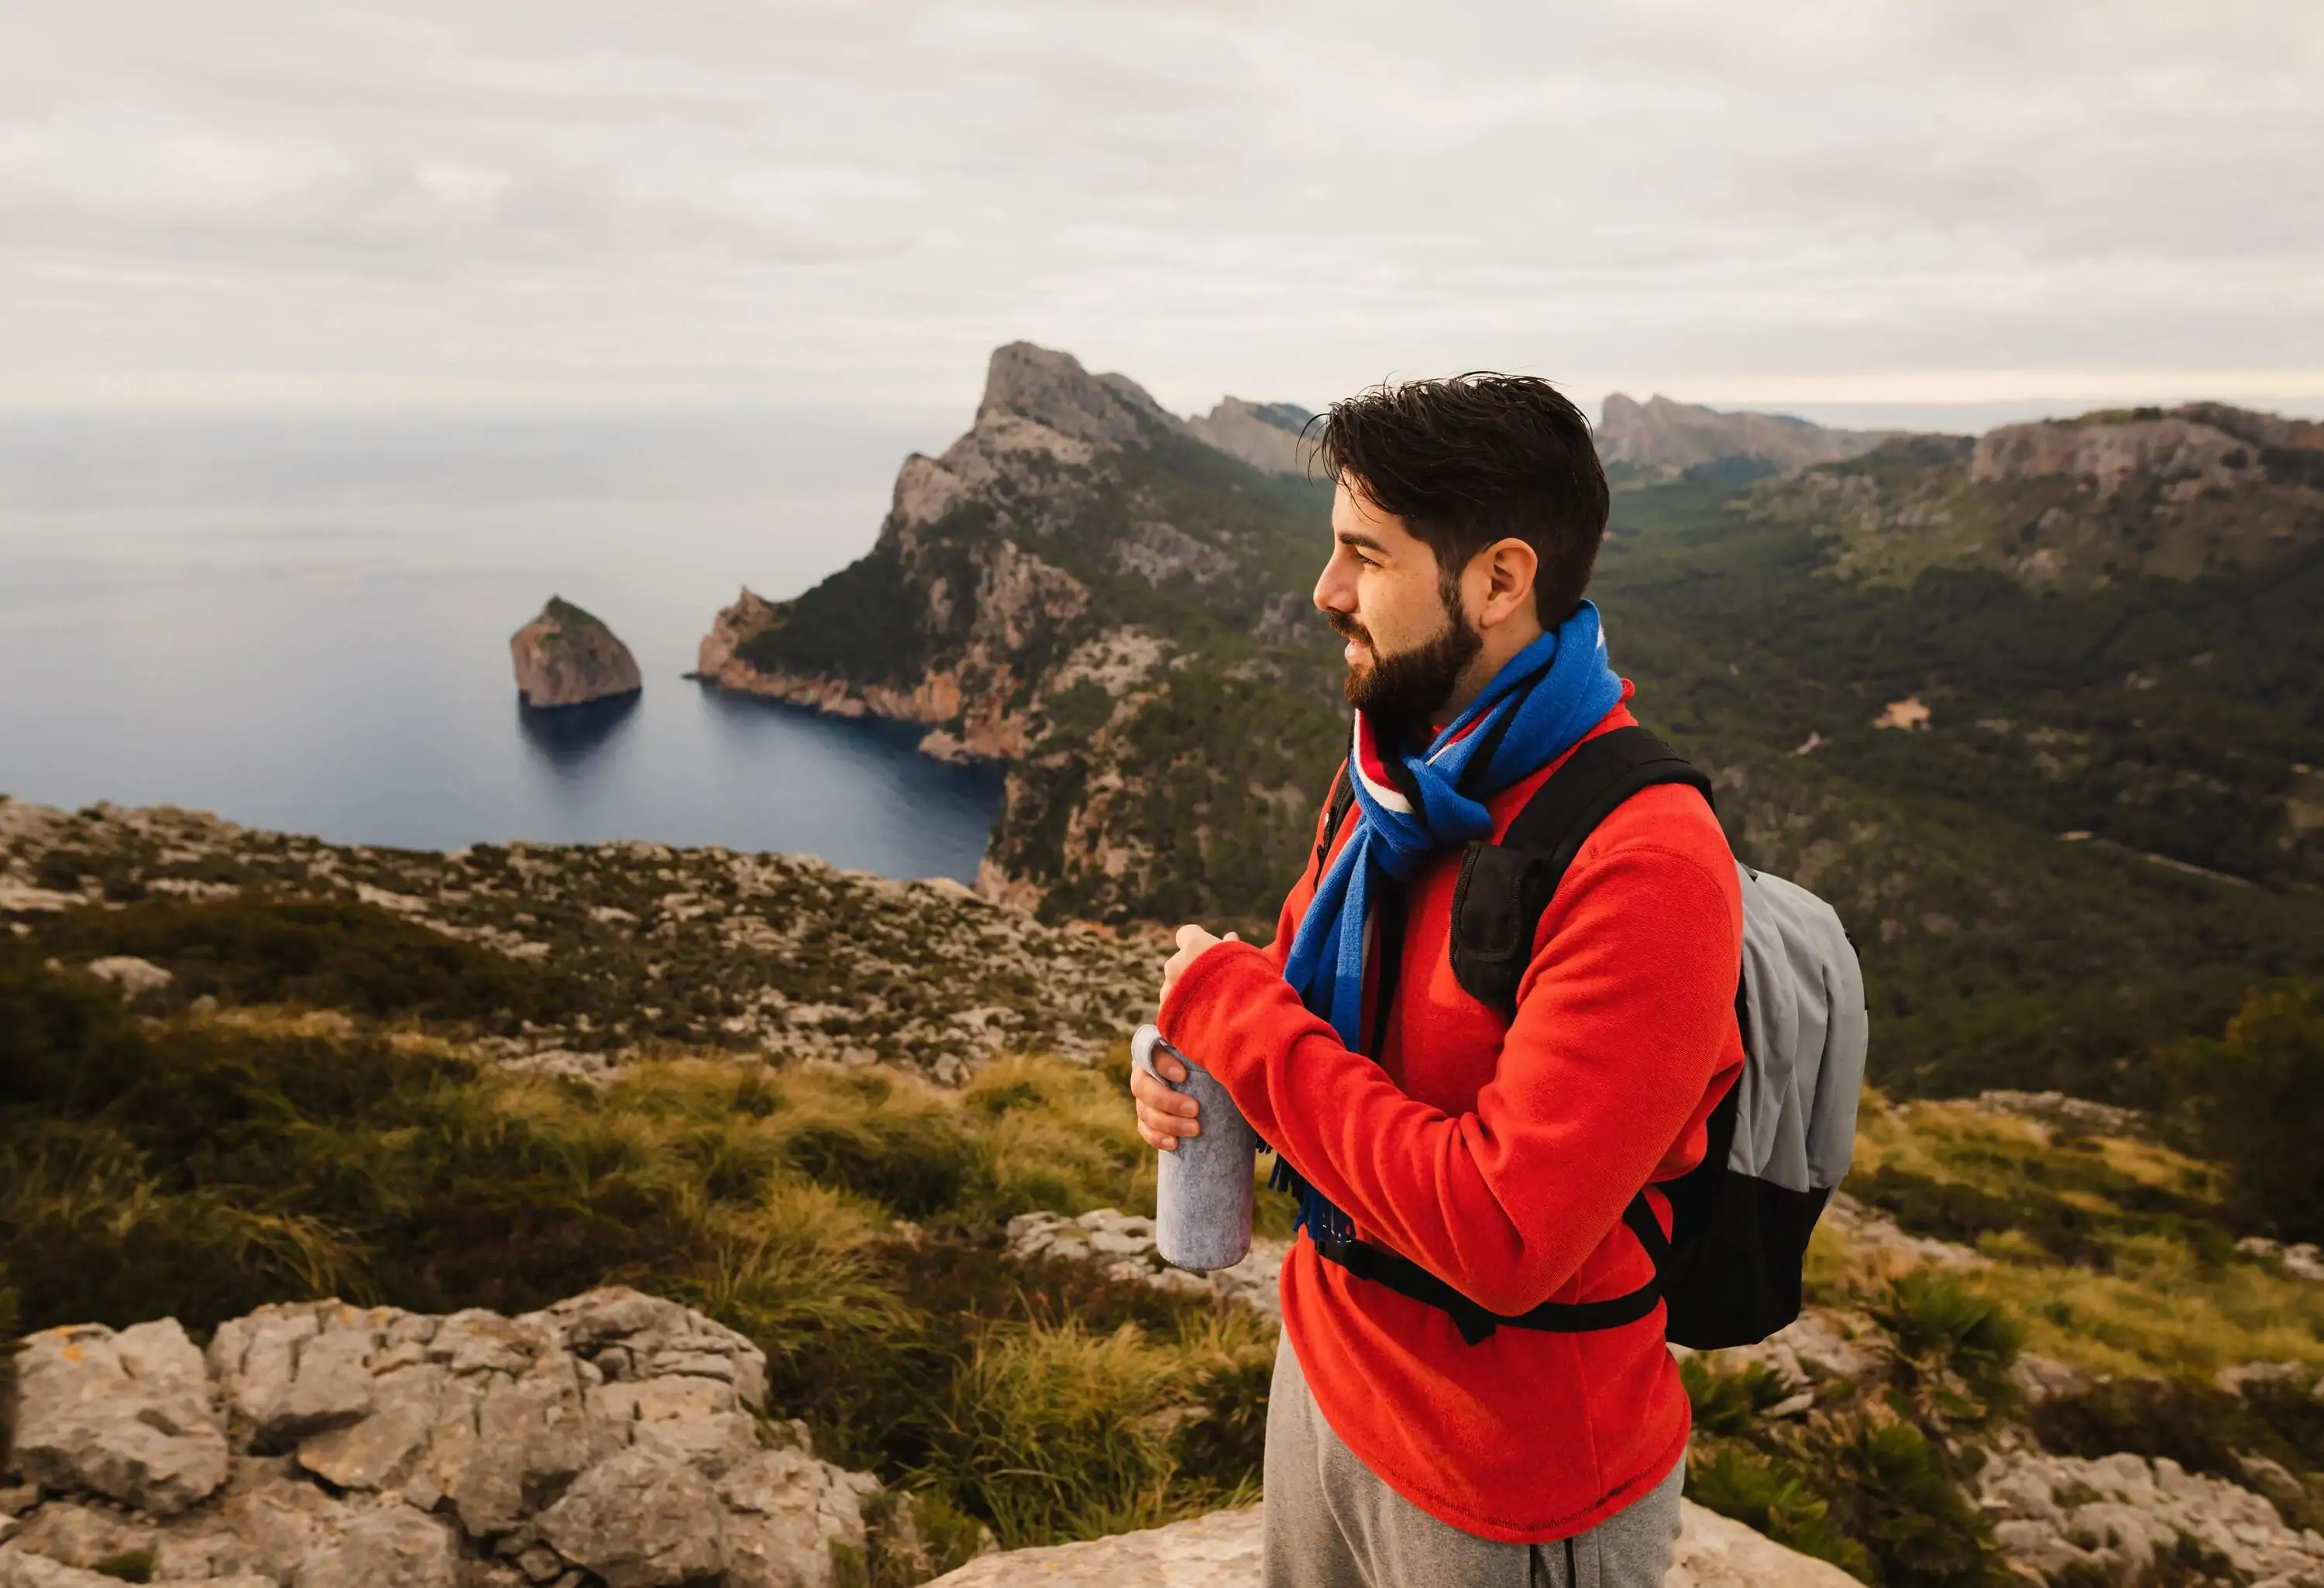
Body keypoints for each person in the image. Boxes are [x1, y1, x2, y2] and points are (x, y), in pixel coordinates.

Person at [1132, 374, 1745, 1587]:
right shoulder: (1392, 775)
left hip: (1504, 1482)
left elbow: (1506, 1231)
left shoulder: (1649, 862)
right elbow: (1303, 1021)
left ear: (1500, 580)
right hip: (1326, 1368)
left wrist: (1239, 1023)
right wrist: (1204, 1077)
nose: (1327, 592)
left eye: (1367, 555)